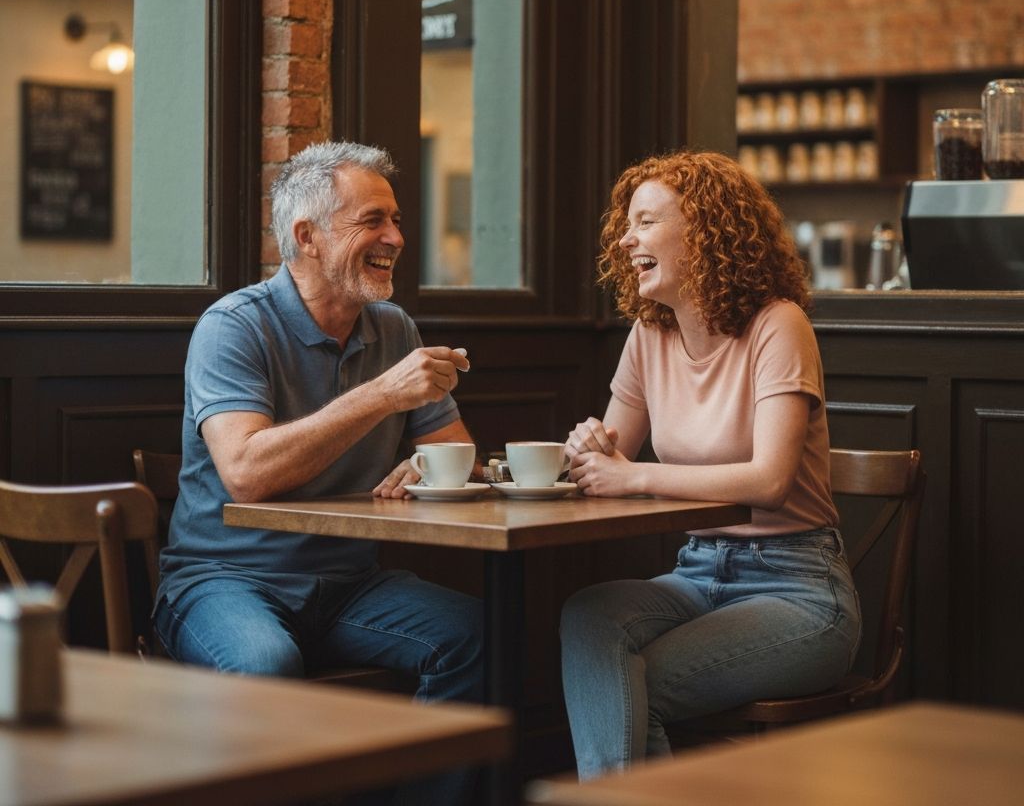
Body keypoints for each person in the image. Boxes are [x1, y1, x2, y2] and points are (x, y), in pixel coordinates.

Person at [154, 140, 483, 800]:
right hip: (224, 579)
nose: (395, 236)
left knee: (479, 634)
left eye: (395, 219)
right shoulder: (233, 327)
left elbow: (455, 451)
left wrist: (429, 467)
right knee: (267, 664)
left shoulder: (394, 330)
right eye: (372, 220)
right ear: (305, 236)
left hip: (349, 584)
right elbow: (246, 473)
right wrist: (384, 396)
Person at [560, 149, 861, 779]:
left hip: (798, 586)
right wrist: (588, 450)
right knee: (589, 615)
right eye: (627, 223)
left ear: (703, 231)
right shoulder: (650, 335)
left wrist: (632, 475)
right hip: (697, 573)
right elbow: (612, 457)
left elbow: (769, 481)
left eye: (644, 221)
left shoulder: (780, 325)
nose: (626, 236)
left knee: (630, 689)